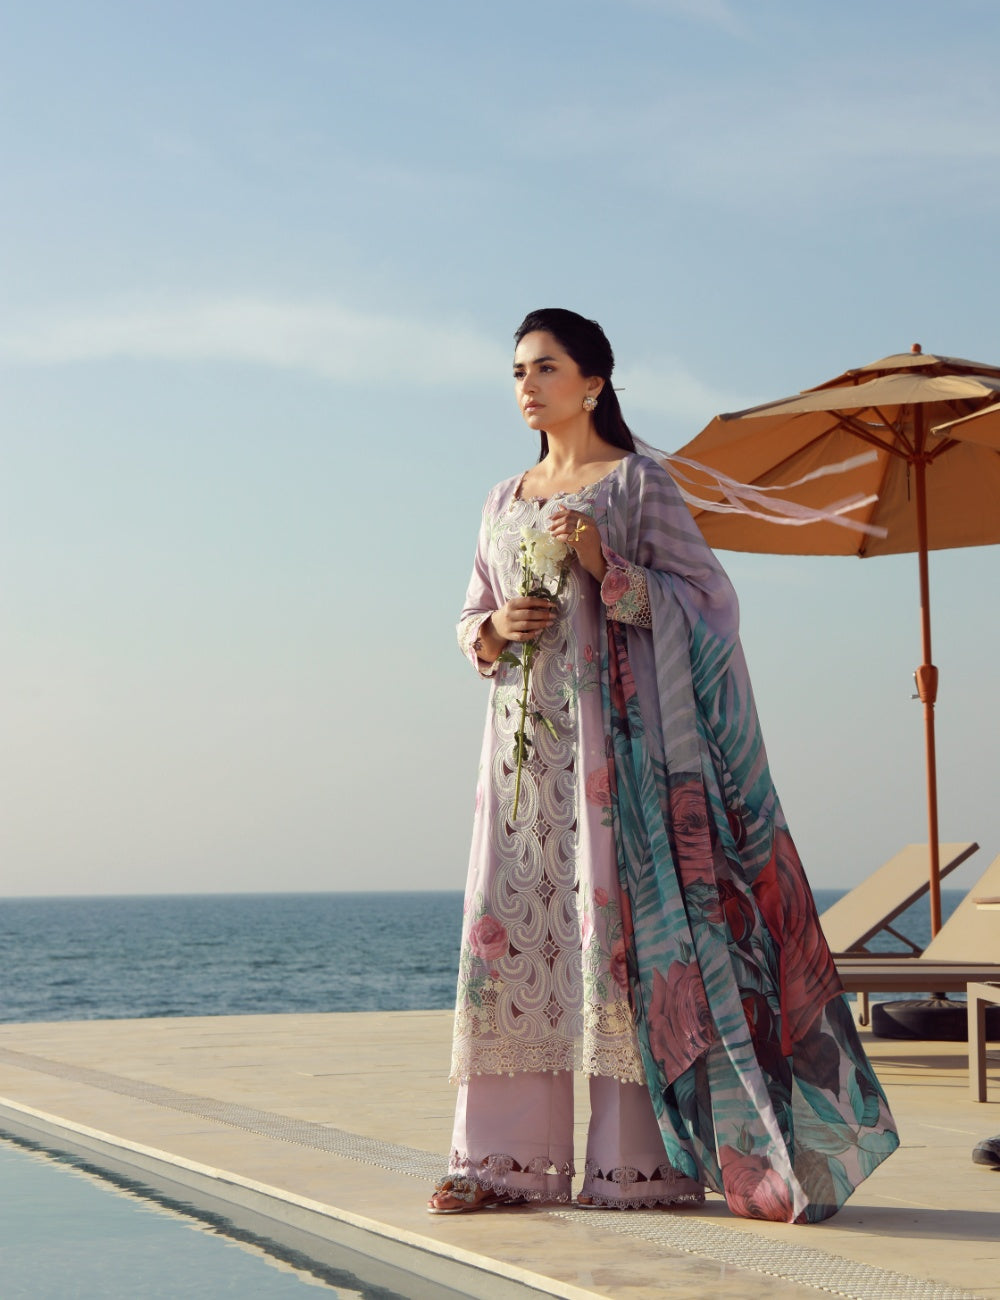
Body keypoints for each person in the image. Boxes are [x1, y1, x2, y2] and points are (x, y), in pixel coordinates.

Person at [428, 309, 899, 1222]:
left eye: (545, 368)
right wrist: (491, 629)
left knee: (615, 943)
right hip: (521, 767)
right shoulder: (502, 498)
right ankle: (501, 1161)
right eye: (518, 371)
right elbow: (469, 615)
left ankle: (635, 1165)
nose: (527, 385)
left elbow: (710, 604)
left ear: (593, 383)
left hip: (618, 760)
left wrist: (607, 568)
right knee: (512, 939)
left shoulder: (639, 484)